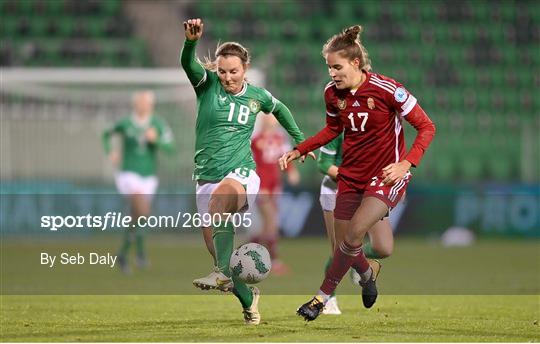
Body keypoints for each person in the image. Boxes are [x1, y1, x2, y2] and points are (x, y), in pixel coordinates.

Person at [279, 25, 435, 321]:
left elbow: (427, 126)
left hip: (387, 175)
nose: (332, 74)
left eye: (336, 67)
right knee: (346, 246)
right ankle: (367, 272)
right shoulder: (331, 94)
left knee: (353, 237)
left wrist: (406, 164)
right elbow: (333, 129)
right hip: (351, 176)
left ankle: (320, 298)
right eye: (328, 68)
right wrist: (300, 148)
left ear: (355, 63)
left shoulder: (390, 90)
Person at [180, 18, 313, 325]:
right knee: (220, 254)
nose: (227, 77)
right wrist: (190, 42)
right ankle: (247, 298)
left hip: (241, 173)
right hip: (205, 176)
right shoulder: (207, 85)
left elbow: (279, 108)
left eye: (234, 71)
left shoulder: (257, 95)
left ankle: (222, 272)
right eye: (223, 71)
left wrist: (301, 142)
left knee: (221, 202)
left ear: (245, 69)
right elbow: (188, 64)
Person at [317, 134, 395, 315]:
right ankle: (329, 299)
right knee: (338, 251)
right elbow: (323, 164)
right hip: (336, 190)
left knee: (384, 247)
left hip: (369, 191)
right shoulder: (336, 128)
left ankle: (357, 263)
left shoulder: (378, 127)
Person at [102, 90, 174, 274]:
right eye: (141, 102)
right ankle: (140, 253)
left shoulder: (157, 123)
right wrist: (110, 151)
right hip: (128, 174)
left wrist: (155, 140)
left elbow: (171, 148)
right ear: (136, 104)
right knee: (142, 211)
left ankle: (124, 255)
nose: (144, 105)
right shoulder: (126, 122)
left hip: (149, 176)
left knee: (137, 217)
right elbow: (106, 134)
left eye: (147, 102)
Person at [251, 114, 300, 276]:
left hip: (275, 186)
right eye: (269, 116)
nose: (273, 118)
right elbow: (252, 163)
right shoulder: (256, 140)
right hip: (261, 186)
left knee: (267, 227)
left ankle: (243, 252)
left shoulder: (279, 138)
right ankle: (274, 261)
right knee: (272, 222)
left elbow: (285, 157)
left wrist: (291, 171)